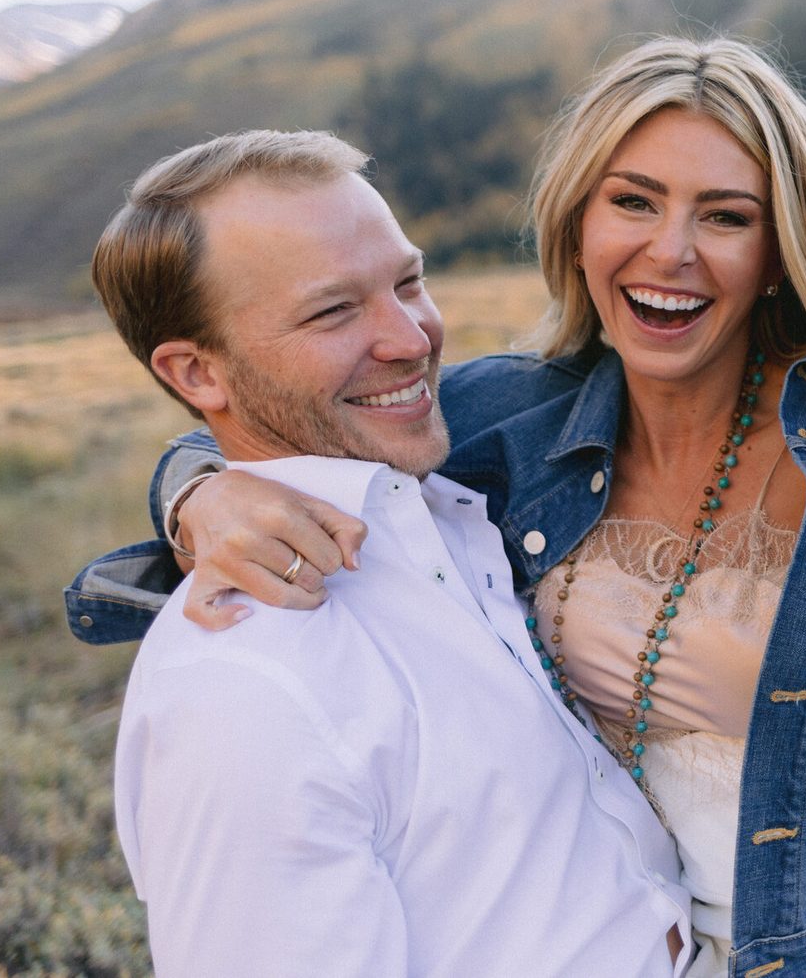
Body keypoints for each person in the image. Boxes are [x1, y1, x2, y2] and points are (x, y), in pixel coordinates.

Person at [78, 38, 806, 975]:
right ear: (577, 222)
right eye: (632, 202)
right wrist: (199, 493)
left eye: (725, 214)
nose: (670, 250)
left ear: (782, 245)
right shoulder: (502, 421)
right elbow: (297, 421)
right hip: (682, 929)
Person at [87, 132, 695, 976]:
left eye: (409, 281)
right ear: (197, 374)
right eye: (333, 310)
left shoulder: (455, 502)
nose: (411, 338)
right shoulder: (239, 689)